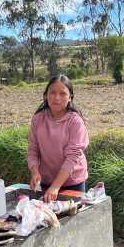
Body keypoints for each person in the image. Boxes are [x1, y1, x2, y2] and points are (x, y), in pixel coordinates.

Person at [27, 75, 89, 203]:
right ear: (46, 95)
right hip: (46, 182)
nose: (56, 98)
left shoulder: (75, 122)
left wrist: (55, 187)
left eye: (62, 94)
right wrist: (35, 172)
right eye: (52, 92)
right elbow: (33, 149)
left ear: (70, 97)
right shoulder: (38, 119)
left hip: (72, 182)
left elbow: (73, 156)